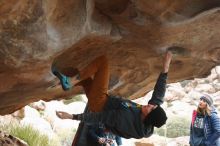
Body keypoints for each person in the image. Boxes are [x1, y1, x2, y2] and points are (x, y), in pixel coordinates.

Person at [54, 51, 172, 139]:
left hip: (100, 104)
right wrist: (165, 68)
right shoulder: (149, 115)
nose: (150, 105)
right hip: (102, 101)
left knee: (103, 61)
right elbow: (158, 95)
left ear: (148, 118)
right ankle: (59, 79)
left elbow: (100, 117)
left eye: (151, 109)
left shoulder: (126, 121)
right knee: (83, 78)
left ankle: (68, 82)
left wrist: (72, 117)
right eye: (153, 106)